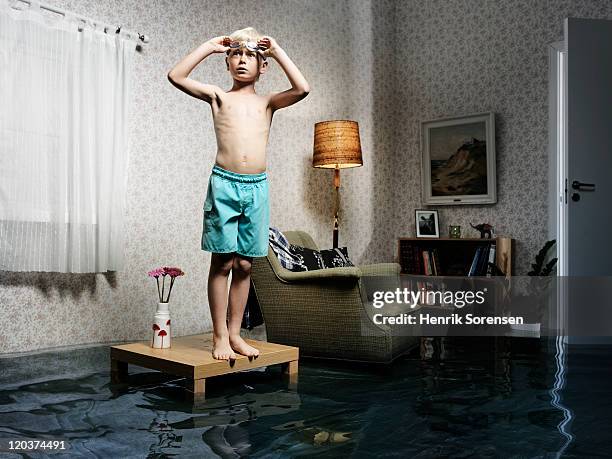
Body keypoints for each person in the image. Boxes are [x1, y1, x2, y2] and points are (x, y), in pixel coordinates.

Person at [167, 27, 310, 360]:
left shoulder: (268, 102)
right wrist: (209, 46)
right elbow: (176, 75)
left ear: (263, 67)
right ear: (227, 62)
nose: (242, 61)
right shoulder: (219, 97)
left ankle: (235, 334)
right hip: (225, 184)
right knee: (223, 261)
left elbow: (302, 88)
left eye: (251, 56)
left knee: (245, 264)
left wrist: (276, 50)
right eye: (236, 55)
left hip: (256, 187)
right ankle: (219, 335)